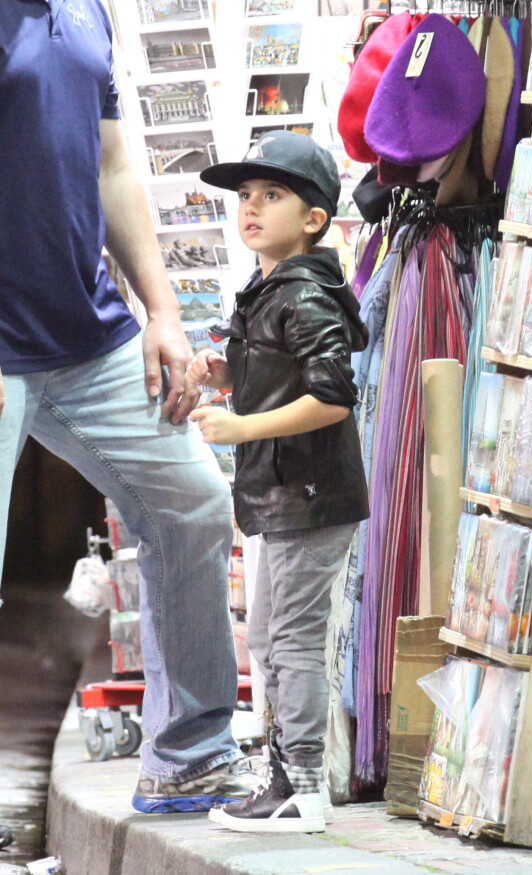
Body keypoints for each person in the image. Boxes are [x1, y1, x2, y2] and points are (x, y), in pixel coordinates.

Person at [0, 0, 258, 813]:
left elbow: (112, 162)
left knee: (192, 503)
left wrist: (165, 313)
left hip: (89, 334)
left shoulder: (86, 9)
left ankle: (189, 754)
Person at [187, 130, 370, 832]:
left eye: (272, 195)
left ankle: (300, 785)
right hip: (288, 492)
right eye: (245, 196)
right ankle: (287, 773)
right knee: (267, 633)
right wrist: (227, 375)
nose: (251, 207)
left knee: (288, 638)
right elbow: (280, 374)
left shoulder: (304, 293)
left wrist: (239, 427)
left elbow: (332, 394)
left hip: (310, 493)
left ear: (315, 218)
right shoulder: (269, 289)